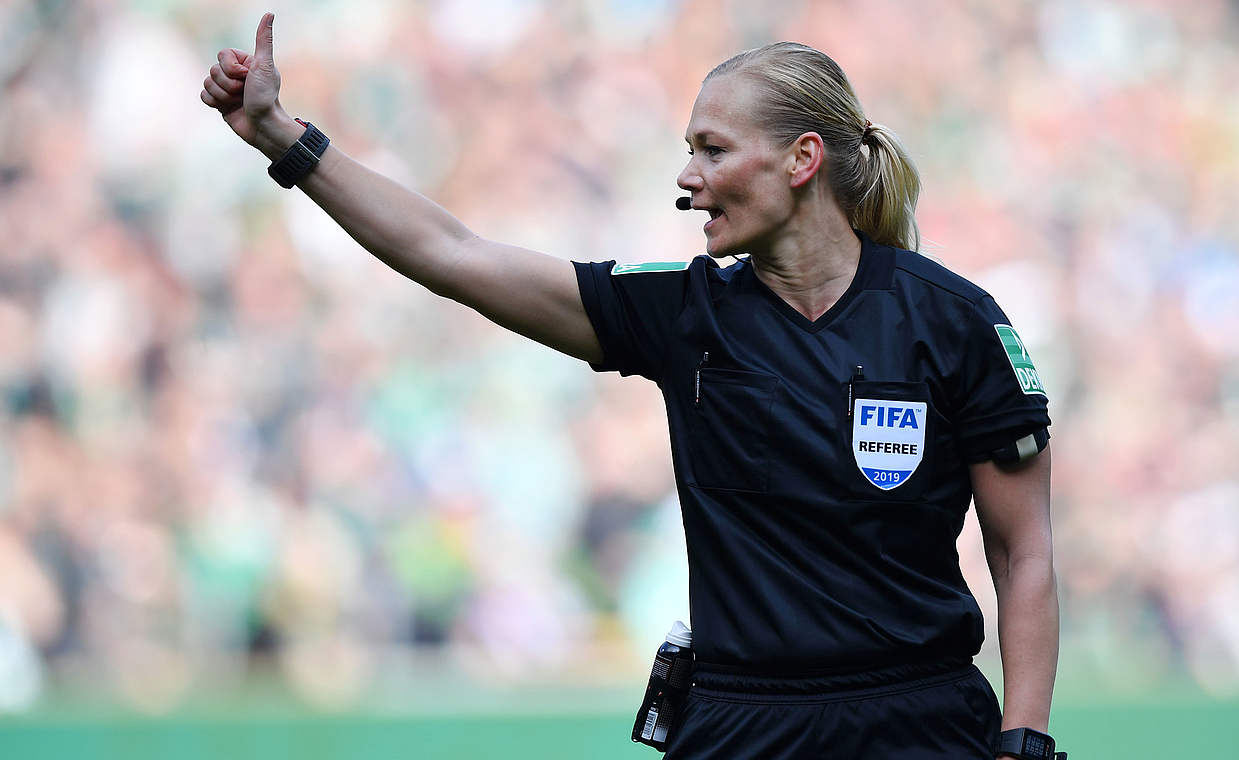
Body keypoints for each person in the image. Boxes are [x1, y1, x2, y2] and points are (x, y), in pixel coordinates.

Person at [200, 13, 1059, 759]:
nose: (686, 178)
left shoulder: (954, 322)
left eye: (712, 151)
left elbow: (1022, 553)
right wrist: (284, 138)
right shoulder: (679, 311)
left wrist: (1022, 741)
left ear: (803, 159)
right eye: (689, 151)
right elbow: (451, 256)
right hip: (738, 726)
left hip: (918, 725)